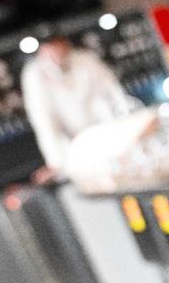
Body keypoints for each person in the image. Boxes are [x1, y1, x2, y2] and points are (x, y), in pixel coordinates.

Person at [20, 33, 134, 184]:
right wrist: (56, 161)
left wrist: (126, 132)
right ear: (42, 51)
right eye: (50, 49)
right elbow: (44, 121)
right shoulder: (34, 74)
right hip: (76, 147)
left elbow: (115, 94)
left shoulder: (86, 59)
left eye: (59, 45)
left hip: (109, 135)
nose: (56, 52)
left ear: (65, 43)